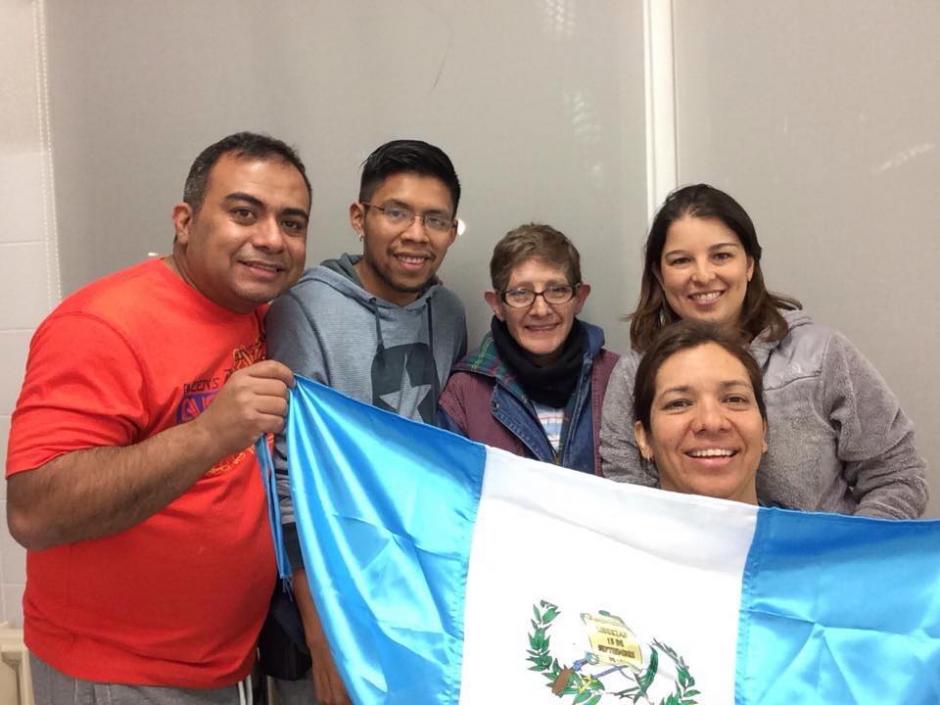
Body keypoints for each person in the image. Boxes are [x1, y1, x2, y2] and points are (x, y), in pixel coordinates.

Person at [5, 132, 311, 702]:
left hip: (224, 664)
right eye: (245, 213)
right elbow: (34, 511)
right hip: (117, 676)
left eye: (292, 223)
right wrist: (211, 433)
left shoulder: (260, 313)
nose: (271, 239)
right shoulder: (101, 325)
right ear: (185, 221)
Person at [265, 139, 466, 704]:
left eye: (436, 219)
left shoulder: (447, 312)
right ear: (360, 217)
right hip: (336, 596)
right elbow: (288, 482)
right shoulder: (303, 310)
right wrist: (323, 636)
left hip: (423, 595)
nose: (416, 234)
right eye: (396, 212)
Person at [600, 184, 927, 516]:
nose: (702, 275)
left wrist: (842, 561)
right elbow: (628, 498)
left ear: (749, 265)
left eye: (722, 255)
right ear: (659, 274)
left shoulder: (823, 356)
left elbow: (896, 476)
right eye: (681, 260)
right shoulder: (635, 374)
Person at [437, 223, 619, 473]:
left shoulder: (617, 379)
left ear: (579, 298)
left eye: (557, 290)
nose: (541, 310)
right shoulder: (464, 393)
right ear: (497, 305)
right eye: (521, 293)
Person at [632, 321, 768, 504]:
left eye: (734, 399)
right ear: (644, 438)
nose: (712, 422)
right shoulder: (600, 533)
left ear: (764, 431)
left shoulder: (814, 533)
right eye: (679, 403)